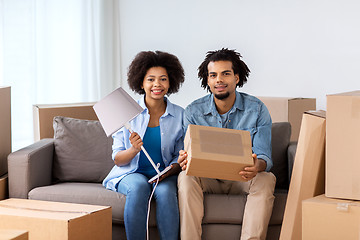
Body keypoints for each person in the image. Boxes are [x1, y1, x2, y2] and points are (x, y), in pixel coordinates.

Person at [177, 48, 276, 240]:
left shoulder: (257, 109)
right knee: (185, 177)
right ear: (207, 80)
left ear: (237, 78)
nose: (219, 80)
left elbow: (264, 155)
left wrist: (257, 166)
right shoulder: (193, 111)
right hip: (208, 178)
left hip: (242, 177)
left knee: (266, 179)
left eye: (225, 74)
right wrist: (184, 160)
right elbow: (188, 151)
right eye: (213, 75)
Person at [103, 50, 185, 240]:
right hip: (131, 173)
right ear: (141, 82)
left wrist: (170, 170)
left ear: (171, 81)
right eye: (151, 79)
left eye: (163, 79)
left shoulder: (181, 115)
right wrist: (133, 150)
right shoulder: (126, 113)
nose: (157, 84)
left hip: (164, 176)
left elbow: (179, 156)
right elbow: (118, 159)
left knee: (165, 193)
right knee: (139, 187)